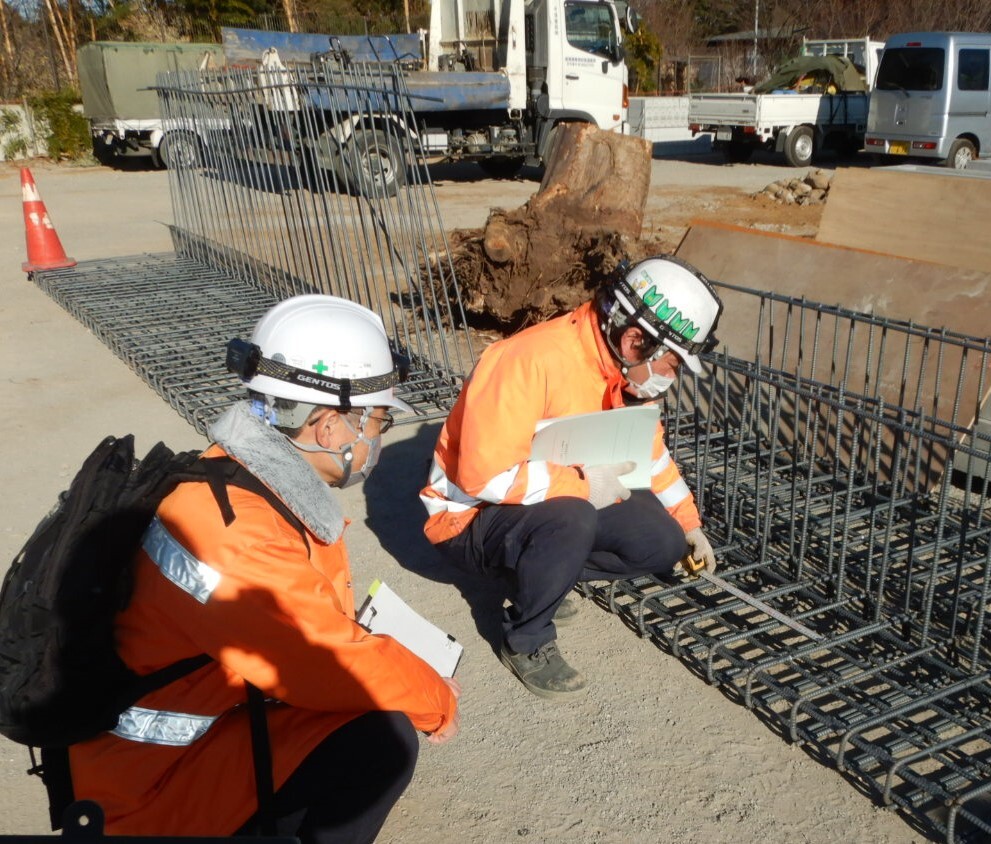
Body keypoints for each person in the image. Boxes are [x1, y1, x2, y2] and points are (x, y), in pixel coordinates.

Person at [65, 294, 460, 843]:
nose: (377, 437)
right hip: (144, 792)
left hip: (184, 741)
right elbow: (322, 660)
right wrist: (434, 697)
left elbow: (301, 632)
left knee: (365, 715)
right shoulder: (235, 529)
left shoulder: (239, 479)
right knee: (383, 740)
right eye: (377, 419)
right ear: (328, 427)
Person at [420, 255, 723, 700]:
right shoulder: (529, 360)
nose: (672, 379)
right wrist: (582, 486)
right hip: (466, 518)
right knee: (572, 517)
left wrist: (688, 522)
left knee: (660, 541)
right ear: (636, 339)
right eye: (673, 365)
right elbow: (483, 476)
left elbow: (651, 453)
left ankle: (541, 575)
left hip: (544, 500)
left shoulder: (621, 371)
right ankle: (527, 639)